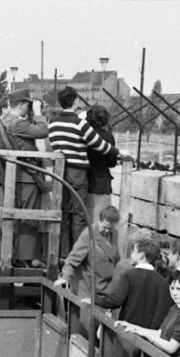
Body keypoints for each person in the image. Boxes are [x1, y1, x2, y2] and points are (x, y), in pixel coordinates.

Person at [47, 86, 119, 252]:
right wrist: (119, 153)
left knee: (63, 214)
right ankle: (77, 252)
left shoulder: (53, 123)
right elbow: (101, 146)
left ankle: (62, 252)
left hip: (60, 171)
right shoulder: (79, 124)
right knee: (80, 216)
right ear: (75, 101)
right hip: (78, 173)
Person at [96, 236, 173, 357]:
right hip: (147, 337)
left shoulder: (129, 275)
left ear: (141, 255)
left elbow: (116, 300)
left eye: (133, 251)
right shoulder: (161, 281)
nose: (131, 254)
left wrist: (95, 299)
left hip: (127, 334)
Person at [0, 88, 50, 268]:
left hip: (15, 175)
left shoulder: (5, 120)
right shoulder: (17, 124)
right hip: (27, 176)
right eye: (28, 105)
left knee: (18, 218)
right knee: (29, 218)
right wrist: (38, 113)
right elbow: (43, 131)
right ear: (21, 105)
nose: (29, 109)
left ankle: (17, 255)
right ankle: (25, 258)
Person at [54, 205, 121, 301]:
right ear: (99, 220)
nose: (107, 231)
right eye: (105, 227)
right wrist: (65, 277)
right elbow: (72, 260)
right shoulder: (89, 234)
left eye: (110, 228)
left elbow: (115, 257)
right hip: (87, 287)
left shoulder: (114, 233)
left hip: (105, 287)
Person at [85, 105, 119, 226]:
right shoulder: (108, 136)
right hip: (101, 182)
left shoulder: (84, 135)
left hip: (84, 180)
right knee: (101, 220)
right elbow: (111, 162)